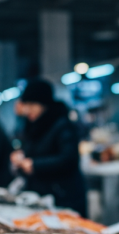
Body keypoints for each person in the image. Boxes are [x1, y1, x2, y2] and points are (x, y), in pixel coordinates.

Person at [11, 80, 87, 216]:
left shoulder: (62, 125)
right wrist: (21, 157)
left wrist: (35, 165)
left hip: (63, 198)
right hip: (41, 196)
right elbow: (34, 151)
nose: (28, 110)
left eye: (32, 105)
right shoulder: (33, 126)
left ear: (44, 104)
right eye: (26, 105)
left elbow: (69, 159)